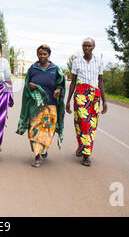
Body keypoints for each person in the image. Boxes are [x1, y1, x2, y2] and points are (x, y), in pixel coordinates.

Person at [17, 44, 66, 167]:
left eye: (45, 54)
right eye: (40, 54)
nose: (42, 56)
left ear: (49, 55)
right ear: (37, 55)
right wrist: (31, 86)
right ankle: (37, 156)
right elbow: (27, 86)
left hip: (50, 106)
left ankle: (43, 149)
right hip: (35, 106)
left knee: (47, 130)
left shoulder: (55, 69)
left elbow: (60, 84)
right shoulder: (32, 69)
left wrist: (58, 90)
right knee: (33, 129)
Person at [65, 37, 107, 167]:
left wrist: (104, 101)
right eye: (85, 46)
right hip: (81, 96)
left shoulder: (99, 62)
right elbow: (73, 82)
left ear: (93, 47)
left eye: (89, 46)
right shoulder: (77, 62)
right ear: (82, 47)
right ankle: (84, 152)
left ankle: (85, 152)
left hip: (94, 97)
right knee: (81, 123)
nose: (87, 48)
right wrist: (68, 101)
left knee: (91, 125)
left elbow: (100, 81)